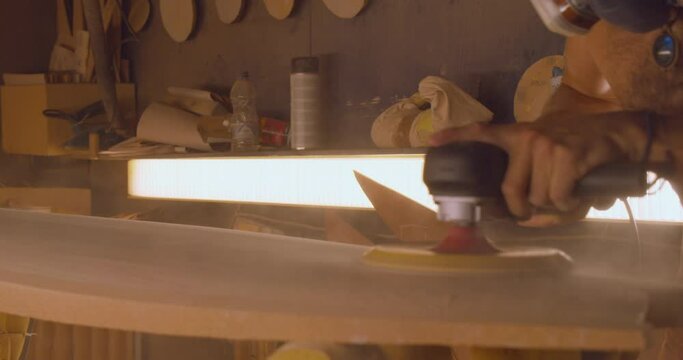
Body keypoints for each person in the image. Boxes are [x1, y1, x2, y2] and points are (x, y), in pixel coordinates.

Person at [432, 1, 683, 228]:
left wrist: (637, 136)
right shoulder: (603, 17)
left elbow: (628, 133)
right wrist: (546, 154)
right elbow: (585, 96)